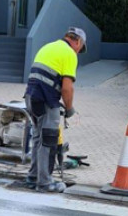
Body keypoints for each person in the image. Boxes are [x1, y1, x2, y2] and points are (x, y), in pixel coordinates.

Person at [24, 26, 86, 193]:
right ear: (77, 42)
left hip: (31, 98)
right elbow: (67, 88)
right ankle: (44, 183)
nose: (78, 52)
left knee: (38, 137)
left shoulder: (48, 46)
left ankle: (32, 177)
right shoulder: (69, 54)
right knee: (47, 140)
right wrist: (70, 109)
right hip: (46, 100)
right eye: (80, 48)